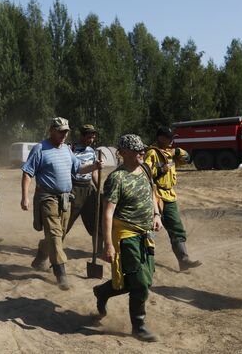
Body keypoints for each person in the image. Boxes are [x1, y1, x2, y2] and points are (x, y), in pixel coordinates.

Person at [92, 134, 163, 342]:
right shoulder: (116, 178)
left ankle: (103, 292)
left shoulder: (146, 169)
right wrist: (108, 244)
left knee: (141, 280)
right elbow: (108, 213)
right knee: (139, 282)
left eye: (142, 148)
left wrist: (156, 215)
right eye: (136, 149)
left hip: (146, 233)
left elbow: (152, 192)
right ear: (123, 153)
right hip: (126, 235)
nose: (142, 152)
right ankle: (138, 326)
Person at [21, 117, 103, 290]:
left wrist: (94, 167)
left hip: (66, 198)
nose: (64, 134)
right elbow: (28, 173)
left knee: (59, 232)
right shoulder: (40, 149)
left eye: (66, 131)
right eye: (60, 131)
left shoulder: (67, 149)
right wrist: (25, 197)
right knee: (56, 235)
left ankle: (40, 257)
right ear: (51, 130)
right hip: (47, 197)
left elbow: (78, 169)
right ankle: (61, 274)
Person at [144, 126, 201, 271]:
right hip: (155, 196)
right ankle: (144, 261)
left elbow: (187, 159)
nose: (171, 141)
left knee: (177, 229)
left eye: (172, 138)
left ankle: (183, 259)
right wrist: (161, 169)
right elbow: (145, 173)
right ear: (160, 138)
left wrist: (176, 151)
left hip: (169, 196)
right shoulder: (152, 153)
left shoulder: (171, 153)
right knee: (147, 230)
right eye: (168, 138)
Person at [66, 124, 103, 254]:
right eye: (88, 137)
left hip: (88, 189)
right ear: (81, 136)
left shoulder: (92, 152)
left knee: (97, 223)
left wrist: (99, 189)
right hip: (73, 189)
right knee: (64, 225)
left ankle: (99, 253)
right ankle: (47, 253)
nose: (91, 140)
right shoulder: (70, 149)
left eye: (93, 137)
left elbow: (94, 173)